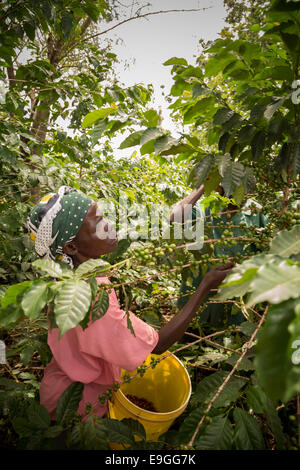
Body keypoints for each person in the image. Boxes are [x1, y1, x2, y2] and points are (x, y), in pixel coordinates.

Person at [27, 185, 232, 421]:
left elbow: (156, 227)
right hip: (77, 408)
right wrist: (205, 287)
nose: (109, 225)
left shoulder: (62, 278)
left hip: (56, 389)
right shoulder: (91, 298)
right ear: (71, 247)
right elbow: (157, 345)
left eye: (104, 216)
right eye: (99, 222)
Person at [169, 184, 269, 326]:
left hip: (233, 308)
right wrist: (204, 185)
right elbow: (174, 218)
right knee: (187, 340)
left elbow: (267, 257)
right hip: (194, 305)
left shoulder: (256, 212)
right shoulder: (205, 206)